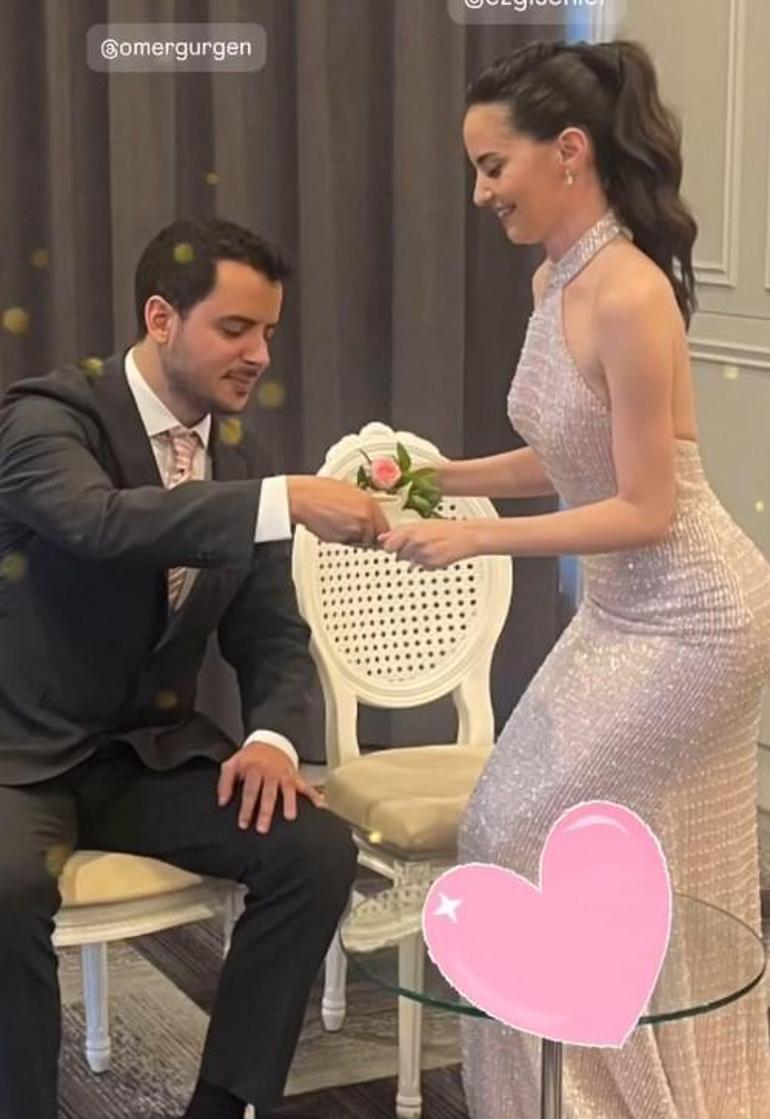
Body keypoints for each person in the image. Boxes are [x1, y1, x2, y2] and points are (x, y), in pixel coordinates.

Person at [380, 40, 770, 1117]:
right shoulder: (555, 278)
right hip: (620, 610)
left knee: (539, 836)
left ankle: (616, 1097)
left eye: (491, 166)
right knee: (513, 831)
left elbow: (646, 508)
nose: (480, 193)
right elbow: (567, 452)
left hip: (698, 619)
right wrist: (441, 476)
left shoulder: (631, 293)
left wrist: (475, 540)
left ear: (567, 151)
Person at [0, 217, 389, 1119]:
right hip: (19, 753)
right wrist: (282, 499)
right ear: (161, 318)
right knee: (7, 889)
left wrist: (272, 739)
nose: (259, 355)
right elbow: (100, 523)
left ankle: (221, 1106)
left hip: (145, 756)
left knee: (313, 851)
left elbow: (272, 633)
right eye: (236, 328)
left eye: (269, 332)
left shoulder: (238, 456)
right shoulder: (46, 417)